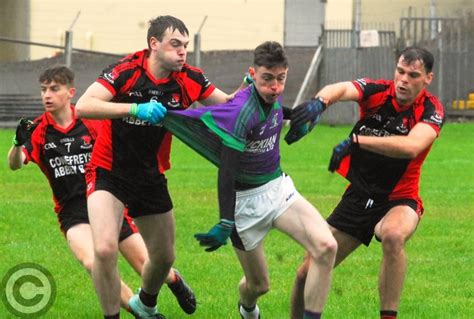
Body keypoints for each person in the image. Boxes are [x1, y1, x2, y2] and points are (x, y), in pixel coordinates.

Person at [161, 41, 337, 319]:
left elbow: (276, 110)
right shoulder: (240, 113)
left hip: (278, 189)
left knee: (327, 247)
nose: (275, 87)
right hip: (245, 206)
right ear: (252, 74)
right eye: (267, 79)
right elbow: (227, 170)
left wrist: (302, 117)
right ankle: (247, 308)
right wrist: (225, 220)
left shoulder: (271, 95)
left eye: (281, 79)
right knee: (259, 285)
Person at [75, 15, 233, 319]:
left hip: (150, 175)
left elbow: (227, 105)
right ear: (153, 44)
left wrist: (251, 89)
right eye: (175, 44)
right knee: (105, 249)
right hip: (108, 170)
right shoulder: (125, 72)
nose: (183, 51)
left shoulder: (190, 78)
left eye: (186, 45)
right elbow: (84, 105)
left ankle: (144, 305)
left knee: (164, 257)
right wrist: (135, 108)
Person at [6, 65, 195, 316]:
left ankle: (173, 279)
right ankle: (140, 311)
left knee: (147, 264)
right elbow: (14, 164)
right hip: (73, 213)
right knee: (94, 261)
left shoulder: (91, 121)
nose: (47, 96)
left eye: (54, 89)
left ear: (71, 92)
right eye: (43, 90)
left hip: (107, 202)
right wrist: (18, 144)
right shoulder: (39, 130)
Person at [287, 46, 445, 319]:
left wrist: (355, 142)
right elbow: (340, 88)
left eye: (413, 75)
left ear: (427, 78)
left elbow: (411, 146)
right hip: (359, 196)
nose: (403, 80)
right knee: (305, 273)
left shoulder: (431, 109)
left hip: (399, 199)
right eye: (400, 71)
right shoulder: (377, 91)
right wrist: (319, 103)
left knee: (393, 236)